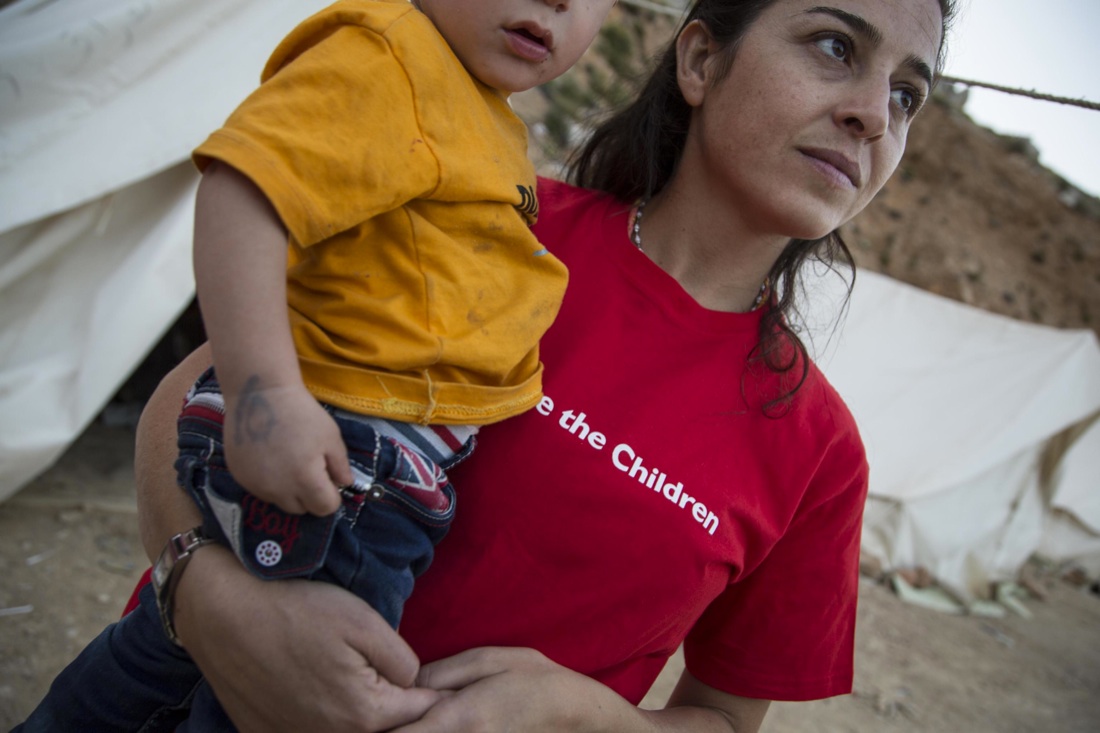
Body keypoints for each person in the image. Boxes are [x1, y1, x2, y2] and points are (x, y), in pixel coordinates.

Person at [38, 0, 957, 731]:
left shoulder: (819, 450)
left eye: (908, 96)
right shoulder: (477, 210)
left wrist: (582, 714)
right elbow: (189, 401)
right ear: (701, 61)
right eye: (834, 46)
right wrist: (206, 600)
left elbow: (722, 717)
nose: (871, 113)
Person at [15, 0, 617, 731]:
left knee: (175, 662)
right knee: (285, 699)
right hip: (342, 459)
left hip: (368, 461)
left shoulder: (471, 101)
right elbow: (245, 188)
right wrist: (262, 396)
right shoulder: (387, 58)